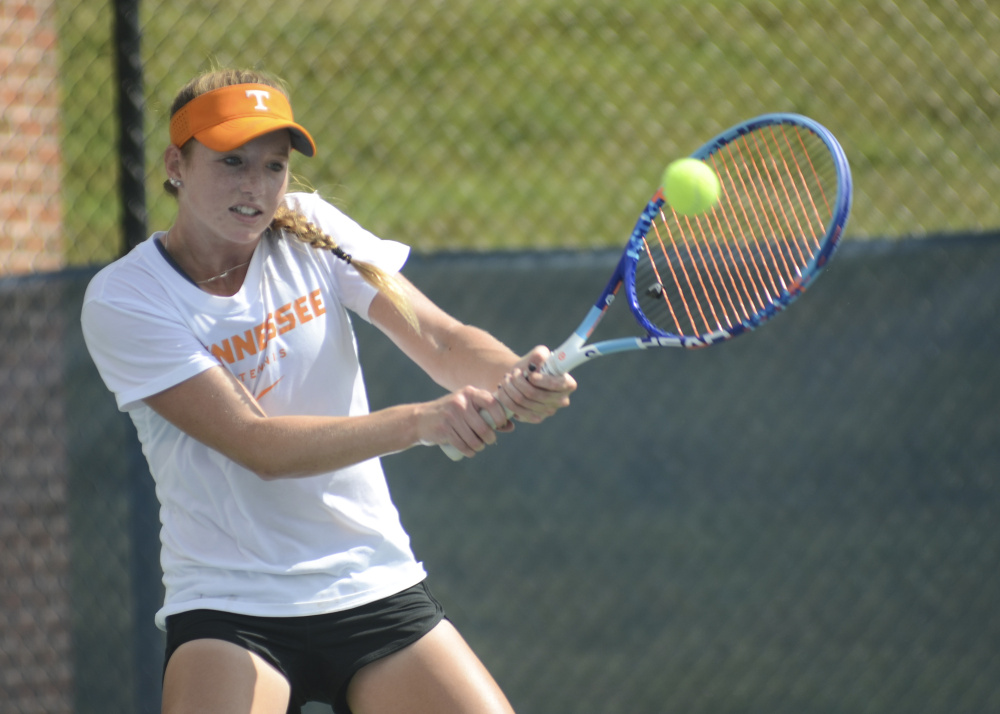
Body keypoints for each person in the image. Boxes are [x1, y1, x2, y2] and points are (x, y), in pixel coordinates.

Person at [81, 68, 576, 714]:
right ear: (177, 163)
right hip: (231, 605)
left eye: (273, 166)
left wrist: (515, 375)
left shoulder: (311, 229)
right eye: (232, 162)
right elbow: (259, 446)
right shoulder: (125, 298)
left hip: (371, 581)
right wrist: (422, 422)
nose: (255, 187)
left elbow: (441, 337)